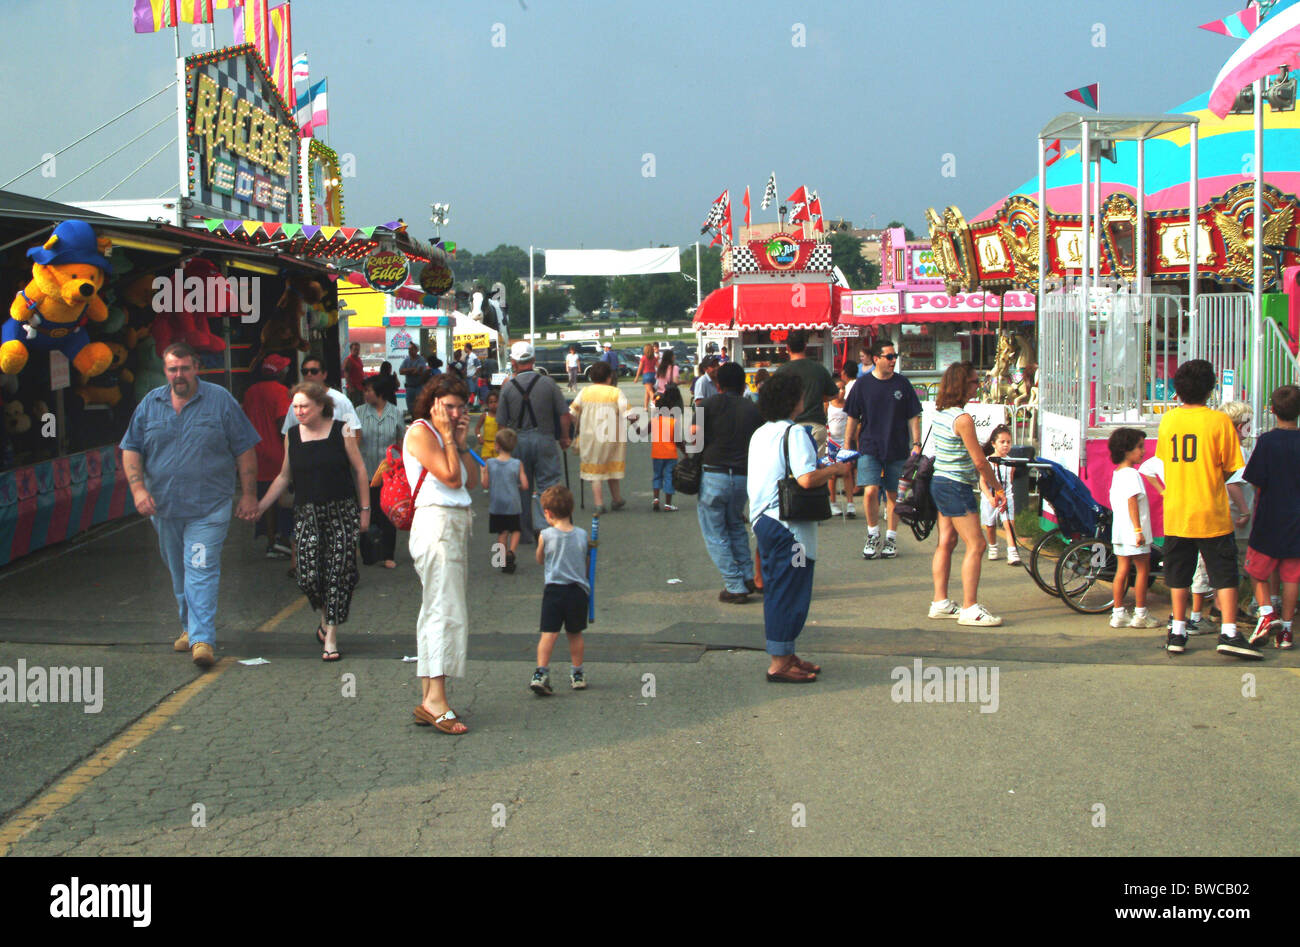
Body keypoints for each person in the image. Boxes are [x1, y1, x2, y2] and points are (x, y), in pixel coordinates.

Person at [120, 342, 260, 668]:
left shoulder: (220, 401)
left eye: (184, 368)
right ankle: (188, 626)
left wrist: (249, 494)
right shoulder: (149, 404)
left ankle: (202, 639)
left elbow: (244, 448)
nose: (179, 375)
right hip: (165, 509)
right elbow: (131, 448)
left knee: (200, 569)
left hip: (208, 508)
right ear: (165, 370)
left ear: (196, 367)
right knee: (179, 571)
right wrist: (138, 489)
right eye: (173, 369)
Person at [748, 373, 855, 681]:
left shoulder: (761, 433)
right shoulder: (794, 433)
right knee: (790, 591)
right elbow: (806, 478)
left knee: (779, 589)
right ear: (793, 401)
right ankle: (779, 663)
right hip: (788, 527)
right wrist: (836, 468)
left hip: (765, 521)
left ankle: (785, 653)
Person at [256, 383, 370, 660]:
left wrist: (365, 510)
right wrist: (260, 506)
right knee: (308, 576)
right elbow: (284, 476)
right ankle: (325, 616)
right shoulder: (292, 435)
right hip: (307, 514)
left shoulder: (341, 429)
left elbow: (359, 468)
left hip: (341, 511)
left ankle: (330, 635)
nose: (299, 412)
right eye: (295, 407)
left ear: (321, 406)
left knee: (337, 573)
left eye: (304, 406)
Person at [1158, 359, 1260, 659]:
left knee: (1179, 573)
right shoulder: (1218, 422)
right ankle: (1229, 631)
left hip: (1177, 511)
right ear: (1211, 388)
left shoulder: (1169, 420)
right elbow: (1231, 469)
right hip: (1212, 512)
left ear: (1177, 389)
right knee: (1223, 573)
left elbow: (1164, 462)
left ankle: (1178, 629)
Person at [405, 373, 479, 734]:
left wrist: (460, 443)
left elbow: (472, 480)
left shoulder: (446, 436)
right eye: (448, 406)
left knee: (436, 607)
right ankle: (436, 700)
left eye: (460, 407)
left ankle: (428, 696)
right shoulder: (421, 431)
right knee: (444, 610)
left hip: (452, 524)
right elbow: (450, 478)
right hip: (436, 524)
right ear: (432, 403)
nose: (454, 413)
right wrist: (449, 438)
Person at [927, 362, 1007, 627]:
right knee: (977, 544)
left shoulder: (941, 414)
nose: (977, 386)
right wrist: (996, 487)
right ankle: (970, 607)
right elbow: (980, 461)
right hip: (956, 485)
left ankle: (940, 602)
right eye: (974, 382)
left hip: (940, 481)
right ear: (963, 385)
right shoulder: (963, 419)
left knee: (946, 542)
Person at [843, 338, 922, 560]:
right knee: (870, 491)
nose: (893, 360)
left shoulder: (902, 384)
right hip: (870, 446)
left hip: (897, 447)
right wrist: (847, 443)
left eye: (895, 356)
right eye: (889, 357)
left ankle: (891, 538)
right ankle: (872, 534)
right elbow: (852, 416)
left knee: (894, 494)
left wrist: (916, 443)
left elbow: (913, 415)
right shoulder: (862, 385)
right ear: (876, 359)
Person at [698, 361, 764, 602]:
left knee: (715, 532)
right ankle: (747, 574)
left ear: (718, 383)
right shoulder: (753, 409)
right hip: (742, 476)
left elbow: (693, 437)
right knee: (736, 524)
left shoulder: (708, 404)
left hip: (714, 472)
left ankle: (734, 584)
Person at [1241, 384, 1300, 649]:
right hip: (1296, 518)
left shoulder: (1266, 442)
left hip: (1269, 516)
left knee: (1256, 570)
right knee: (1291, 576)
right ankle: (1286, 631)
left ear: (1272, 410)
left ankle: (1266, 613)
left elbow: (1254, 480)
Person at [496, 341, 572, 544]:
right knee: (548, 485)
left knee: (521, 486)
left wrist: (502, 449)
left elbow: (501, 423)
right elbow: (564, 414)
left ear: (513, 361)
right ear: (533, 359)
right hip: (545, 438)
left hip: (517, 440)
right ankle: (546, 527)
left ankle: (524, 532)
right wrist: (565, 436)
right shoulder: (548, 384)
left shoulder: (508, 387)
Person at [530, 485, 591, 695]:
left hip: (554, 590)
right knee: (575, 634)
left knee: (549, 633)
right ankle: (577, 673)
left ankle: (541, 671)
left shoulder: (546, 535)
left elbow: (540, 559)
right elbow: (586, 563)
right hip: (577, 591)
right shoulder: (582, 535)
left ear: (548, 513)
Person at [1106, 427, 1159, 629]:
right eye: (1139, 447)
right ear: (1126, 450)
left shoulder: (1117, 473)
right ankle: (1140, 613)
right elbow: (1132, 502)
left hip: (1120, 531)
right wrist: (1138, 530)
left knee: (1122, 570)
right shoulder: (1132, 475)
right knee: (1142, 570)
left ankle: (1118, 612)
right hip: (1135, 532)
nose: (1143, 451)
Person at [242, 354, 294, 558]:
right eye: (285, 369)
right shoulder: (281, 392)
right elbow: (283, 422)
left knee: (265, 496)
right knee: (281, 495)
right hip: (277, 451)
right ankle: (283, 539)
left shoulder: (250, 392)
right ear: (279, 372)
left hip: (255, 452)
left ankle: (271, 540)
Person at [357, 376, 405, 569]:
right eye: (365, 390)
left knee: (388, 513)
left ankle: (388, 554)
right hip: (365, 472)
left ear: (380, 392)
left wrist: (403, 467)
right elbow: (351, 440)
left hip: (389, 474)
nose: (366, 393)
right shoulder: (358, 412)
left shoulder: (395, 413)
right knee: (367, 511)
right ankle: (368, 553)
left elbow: (401, 441)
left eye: (369, 390)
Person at [569, 360, 628, 513]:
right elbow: (627, 413)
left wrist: (579, 426)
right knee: (611, 467)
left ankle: (599, 504)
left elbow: (572, 413)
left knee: (595, 471)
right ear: (609, 377)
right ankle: (616, 499)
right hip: (611, 437)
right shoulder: (615, 392)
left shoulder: (584, 392)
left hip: (590, 437)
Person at [774, 330, 838, 458]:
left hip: (790, 427)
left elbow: (775, 400)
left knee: (793, 469)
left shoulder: (781, 372)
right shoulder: (819, 369)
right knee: (815, 471)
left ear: (787, 348)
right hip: (816, 425)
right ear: (805, 346)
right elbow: (833, 394)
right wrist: (818, 396)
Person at [482, 426, 528, 574]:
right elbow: (525, 485)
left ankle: (500, 560)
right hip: (513, 503)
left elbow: (486, 485)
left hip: (497, 504)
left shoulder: (490, 463)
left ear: (497, 445)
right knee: (515, 529)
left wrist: (483, 473)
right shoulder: (517, 464)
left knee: (502, 533)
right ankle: (511, 552)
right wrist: (518, 485)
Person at [282, 355, 360, 439]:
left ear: (324, 374)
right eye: (305, 371)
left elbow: (354, 431)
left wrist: (347, 451)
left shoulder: (341, 400)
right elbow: (287, 434)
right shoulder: (297, 403)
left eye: (314, 371)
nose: (309, 374)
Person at [979, 424, 1018, 564]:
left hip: (1006, 497)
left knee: (1009, 524)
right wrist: (990, 498)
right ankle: (993, 547)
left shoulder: (1011, 462)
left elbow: (1010, 481)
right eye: (1002, 442)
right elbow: (982, 482)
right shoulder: (987, 461)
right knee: (990, 525)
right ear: (994, 444)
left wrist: (1007, 496)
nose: (1006, 445)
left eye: (1008, 442)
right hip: (990, 498)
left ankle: (1012, 552)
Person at [650, 383, 684, 512]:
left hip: (656, 455)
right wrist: (685, 452)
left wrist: (633, 422)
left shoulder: (653, 421)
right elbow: (678, 441)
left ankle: (656, 499)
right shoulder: (672, 422)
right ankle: (668, 505)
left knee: (657, 476)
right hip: (670, 456)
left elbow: (639, 432)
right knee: (669, 477)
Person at [825, 377, 854, 517]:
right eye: (838, 388)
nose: (841, 391)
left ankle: (850, 503)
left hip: (845, 441)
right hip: (831, 443)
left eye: (843, 388)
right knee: (832, 474)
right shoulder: (828, 404)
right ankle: (833, 503)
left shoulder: (848, 404)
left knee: (847, 472)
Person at [399, 343, 428, 417]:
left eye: (412, 349)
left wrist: (407, 371)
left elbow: (418, 372)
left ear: (416, 350)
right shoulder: (406, 360)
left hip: (418, 387)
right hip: (409, 387)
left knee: (419, 407)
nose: (409, 351)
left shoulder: (421, 359)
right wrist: (412, 369)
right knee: (410, 408)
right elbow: (401, 371)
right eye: (409, 349)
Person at [475, 391, 500, 459]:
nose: (493, 404)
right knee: (485, 467)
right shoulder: (484, 415)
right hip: (486, 445)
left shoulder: (501, 416)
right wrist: (479, 437)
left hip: (498, 445)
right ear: (487, 404)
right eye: (491, 402)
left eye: (495, 401)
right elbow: (477, 428)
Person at [343, 341, 366, 407]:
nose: (357, 351)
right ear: (351, 350)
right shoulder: (349, 360)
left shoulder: (358, 359)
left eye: (358, 349)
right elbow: (346, 373)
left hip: (360, 388)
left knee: (361, 408)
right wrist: (350, 387)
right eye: (355, 349)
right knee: (354, 408)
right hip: (354, 389)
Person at [637, 343, 658, 409]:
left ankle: (655, 402)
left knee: (650, 392)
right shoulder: (654, 358)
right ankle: (645, 407)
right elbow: (659, 366)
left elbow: (640, 368)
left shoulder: (643, 358)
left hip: (646, 375)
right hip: (653, 375)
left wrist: (636, 377)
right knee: (647, 391)